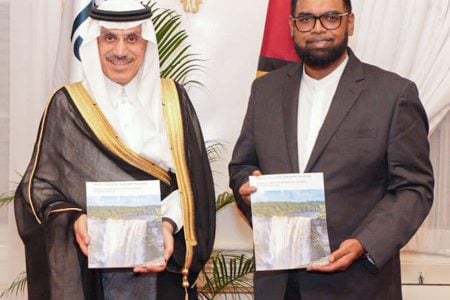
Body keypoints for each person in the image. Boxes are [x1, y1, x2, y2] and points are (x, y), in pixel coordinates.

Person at [229, 0, 434, 299]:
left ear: (350, 22)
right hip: (279, 286)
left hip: (357, 284)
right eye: (306, 19)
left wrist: (365, 242)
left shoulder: (393, 94)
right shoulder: (265, 91)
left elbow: (414, 188)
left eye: (330, 18)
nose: (318, 29)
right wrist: (245, 186)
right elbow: (242, 166)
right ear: (291, 26)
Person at [14, 1, 215, 299]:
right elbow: (37, 187)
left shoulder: (173, 99)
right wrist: (73, 218)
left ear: (146, 43)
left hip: (160, 265)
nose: (120, 51)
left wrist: (169, 224)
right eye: (110, 37)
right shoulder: (67, 104)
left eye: (132, 38)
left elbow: (194, 183)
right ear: (95, 41)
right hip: (90, 272)